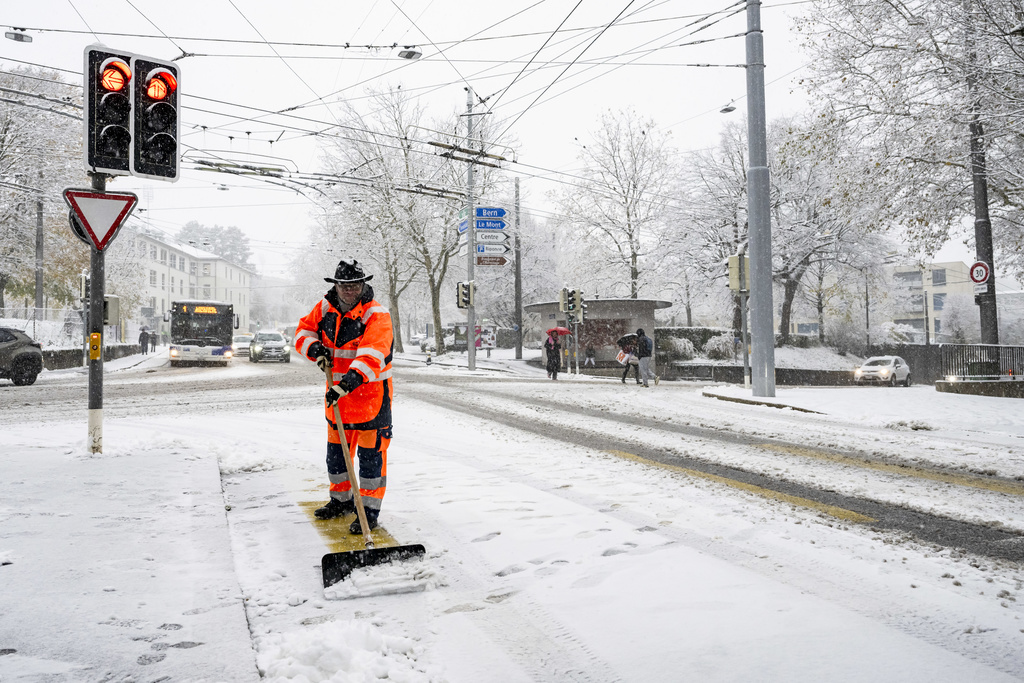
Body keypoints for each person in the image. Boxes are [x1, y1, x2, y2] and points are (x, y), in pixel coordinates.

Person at [294, 259, 394, 535]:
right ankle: (341, 502)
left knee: (371, 460)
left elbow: (373, 354)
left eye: (355, 285)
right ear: (336, 286)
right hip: (337, 399)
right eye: (344, 285)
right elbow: (302, 332)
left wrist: (348, 382)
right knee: (337, 458)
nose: (349, 290)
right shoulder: (325, 308)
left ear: (363, 285)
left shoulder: (377, 315)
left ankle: (369, 512)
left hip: (371, 399)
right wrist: (315, 350)